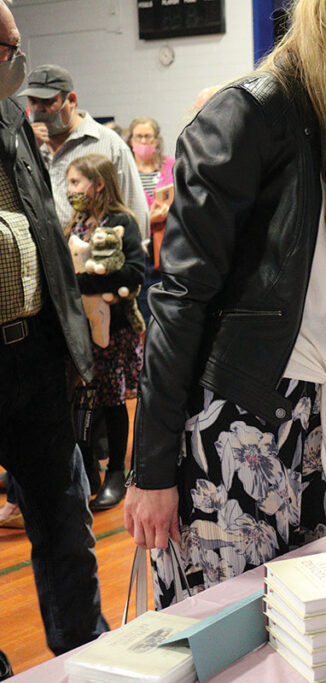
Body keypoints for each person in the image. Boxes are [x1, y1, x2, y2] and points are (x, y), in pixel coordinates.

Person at [126, 0, 326, 608]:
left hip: (310, 419)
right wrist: (152, 469)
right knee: (227, 634)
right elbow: (179, 299)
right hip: (235, 423)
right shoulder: (249, 112)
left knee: (302, 632)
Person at [0, 1, 108, 658]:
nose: (17, 59)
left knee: (66, 522)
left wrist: (73, 351)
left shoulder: (15, 116)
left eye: (15, 45)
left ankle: (87, 656)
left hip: (34, 359)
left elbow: (46, 230)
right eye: (6, 47)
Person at [65, 154, 145, 512]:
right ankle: (88, 467)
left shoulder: (123, 221)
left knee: (113, 400)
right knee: (83, 399)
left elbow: (134, 273)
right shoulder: (75, 222)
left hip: (115, 330)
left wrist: (82, 282)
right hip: (80, 328)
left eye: (76, 182)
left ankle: (117, 470)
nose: (71, 191)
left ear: (98, 184)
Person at [18, 65, 150, 240]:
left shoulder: (108, 144)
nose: (39, 110)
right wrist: (28, 148)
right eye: (33, 102)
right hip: (44, 259)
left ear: (71, 100)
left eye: (48, 102)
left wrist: (135, 255)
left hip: (96, 259)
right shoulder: (24, 145)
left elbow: (136, 209)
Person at [126, 116, 174, 324]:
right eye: (139, 137)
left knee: (169, 300)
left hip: (169, 242)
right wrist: (148, 217)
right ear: (131, 140)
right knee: (144, 302)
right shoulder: (126, 169)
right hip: (141, 244)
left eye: (148, 137)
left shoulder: (170, 165)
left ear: (156, 140)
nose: (144, 142)